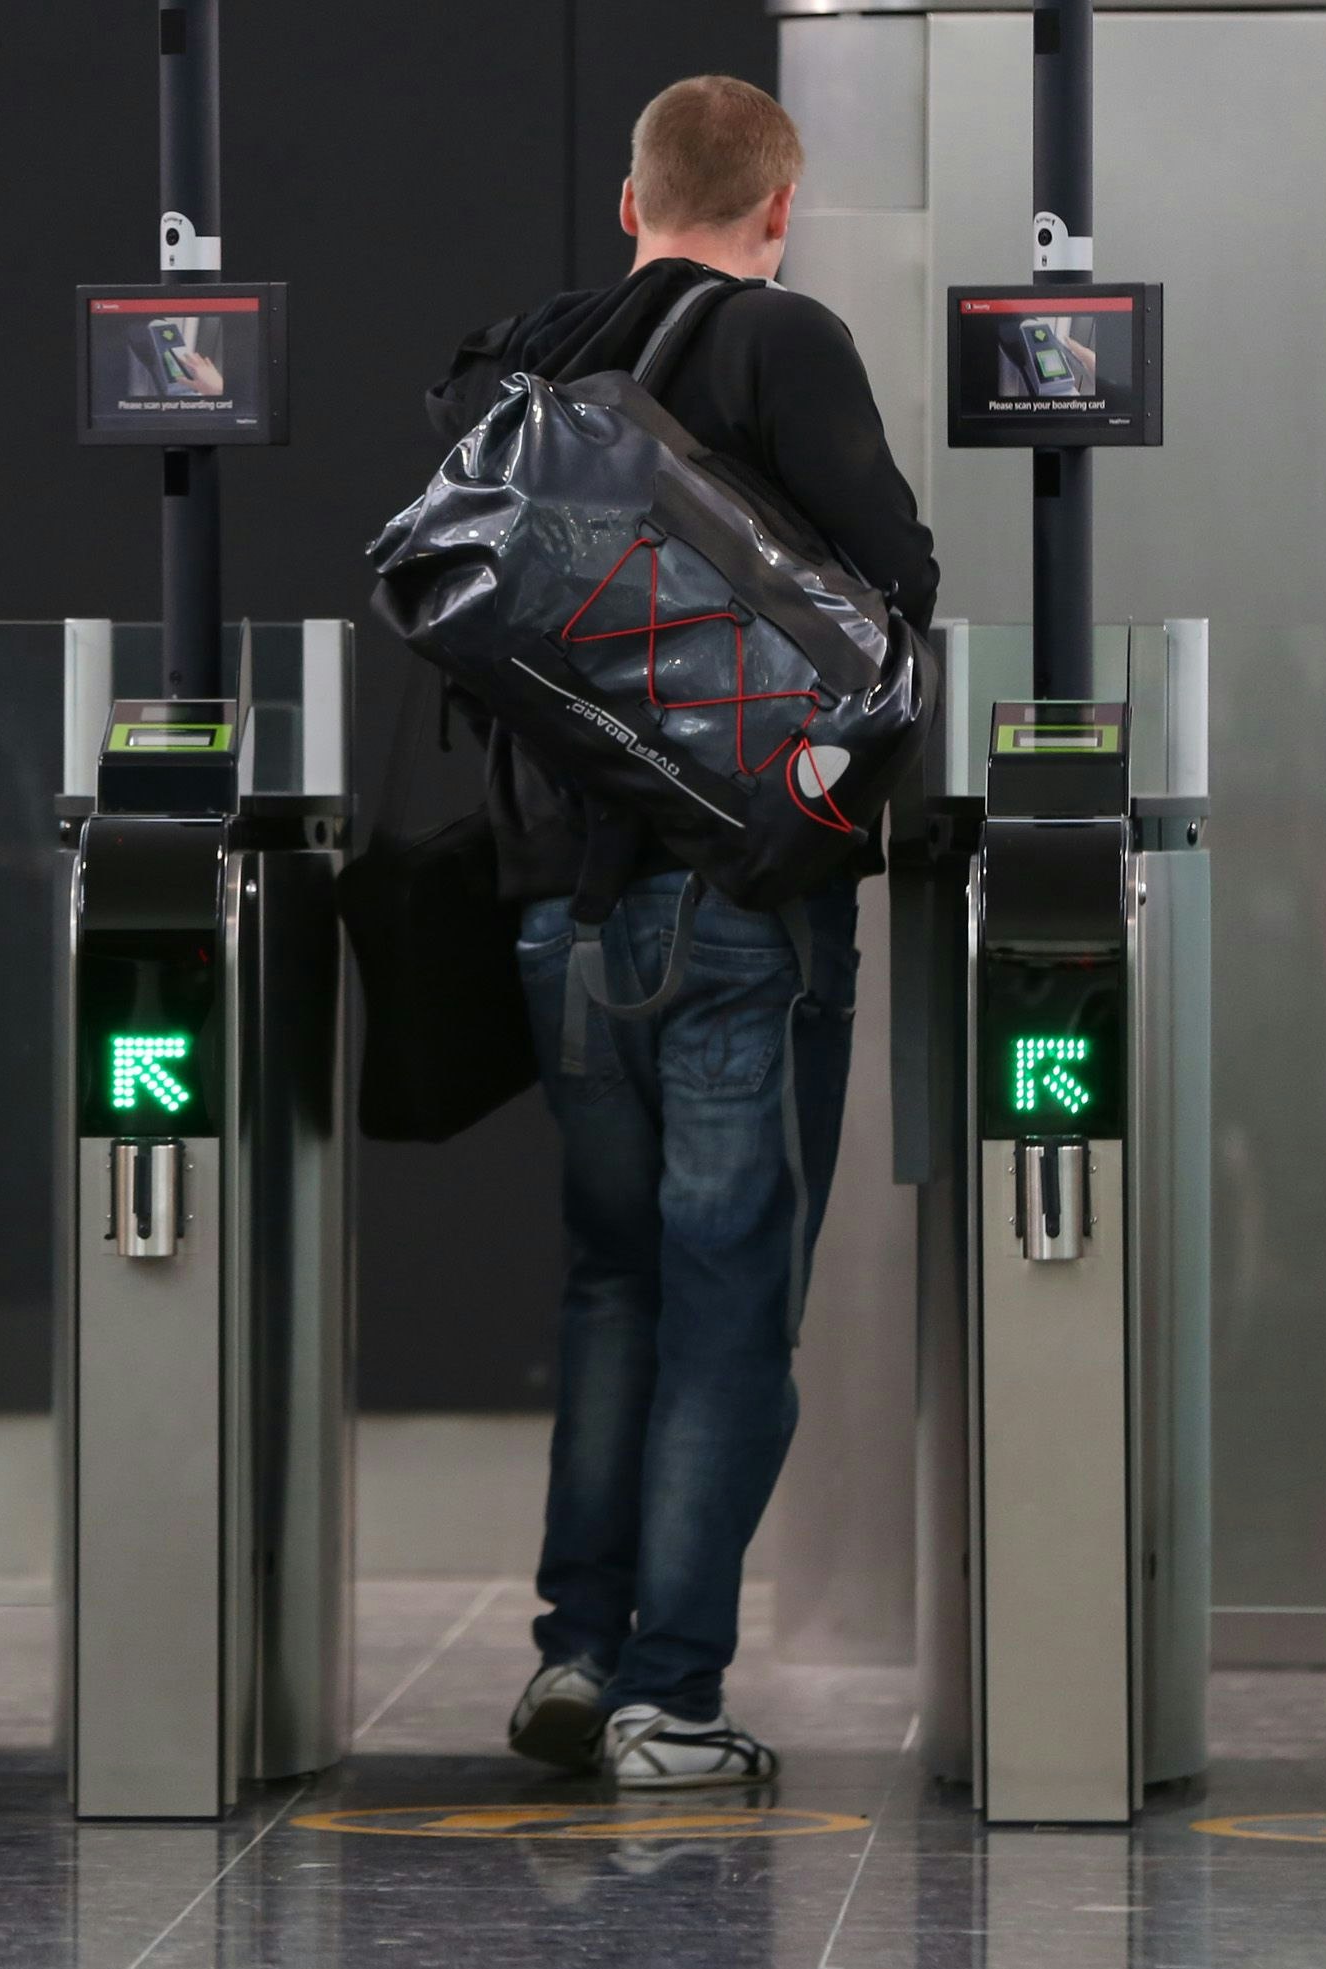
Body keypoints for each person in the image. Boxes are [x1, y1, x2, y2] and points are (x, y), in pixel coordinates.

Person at [423, 75, 938, 1789]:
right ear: (778, 210)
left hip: (562, 918)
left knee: (610, 1285)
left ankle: (573, 1650)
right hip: (742, 906)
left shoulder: (544, 354)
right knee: (732, 1301)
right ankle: (673, 1694)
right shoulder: (785, 344)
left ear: (632, 202)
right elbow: (897, 587)